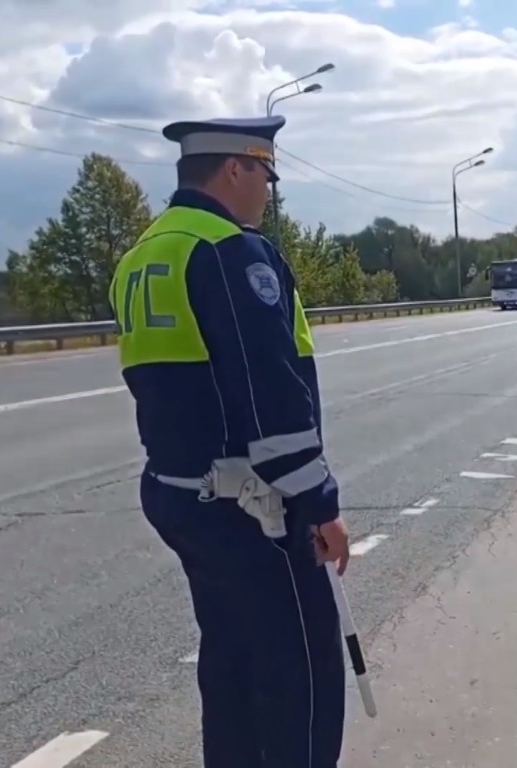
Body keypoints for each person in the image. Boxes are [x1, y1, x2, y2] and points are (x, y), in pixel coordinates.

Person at [108, 114, 349, 766]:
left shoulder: (144, 252)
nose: (268, 193)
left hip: (183, 494)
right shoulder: (229, 250)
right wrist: (317, 504)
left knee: (233, 668)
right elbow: (266, 390)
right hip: (253, 509)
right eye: (265, 175)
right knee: (301, 675)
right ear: (235, 169)